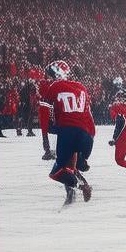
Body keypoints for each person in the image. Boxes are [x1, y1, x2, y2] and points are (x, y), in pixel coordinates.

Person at [40, 60, 94, 206]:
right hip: (84, 133)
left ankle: (76, 190)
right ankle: (75, 190)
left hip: (67, 131)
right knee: (70, 166)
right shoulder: (81, 87)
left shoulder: (54, 86)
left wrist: (45, 140)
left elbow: (44, 113)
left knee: (60, 170)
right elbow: (89, 116)